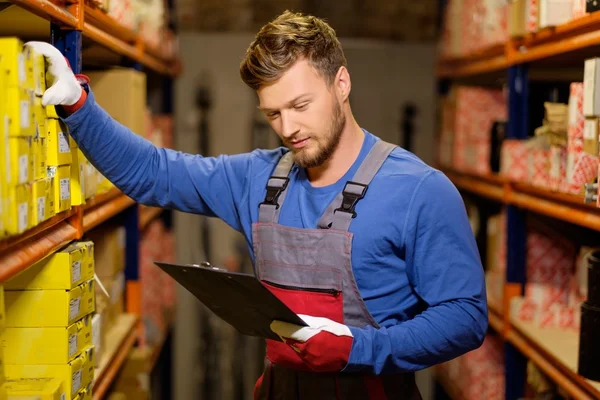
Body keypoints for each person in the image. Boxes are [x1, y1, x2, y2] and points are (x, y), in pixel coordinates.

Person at [27, 9, 487, 400]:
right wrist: (79, 106)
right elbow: (154, 173)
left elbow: (464, 318)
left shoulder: (419, 190)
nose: (289, 128)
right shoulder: (260, 177)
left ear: (341, 83)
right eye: (273, 113)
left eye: (301, 104)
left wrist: (358, 348)